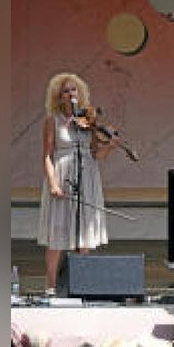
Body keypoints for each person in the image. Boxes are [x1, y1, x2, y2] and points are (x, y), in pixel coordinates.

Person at [40, 72, 118, 296]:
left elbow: (96, 155)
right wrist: (53, 183)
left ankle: (80, 283)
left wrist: (110, 146)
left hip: (87, 174)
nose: (70, 94)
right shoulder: (52, 121)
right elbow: (47, 155)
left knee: (84, 228)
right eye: (66, 91)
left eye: (74, 90)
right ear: (59, 96)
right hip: (62, 173)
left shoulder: (88, 121)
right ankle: (51, 284)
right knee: (57, 230)